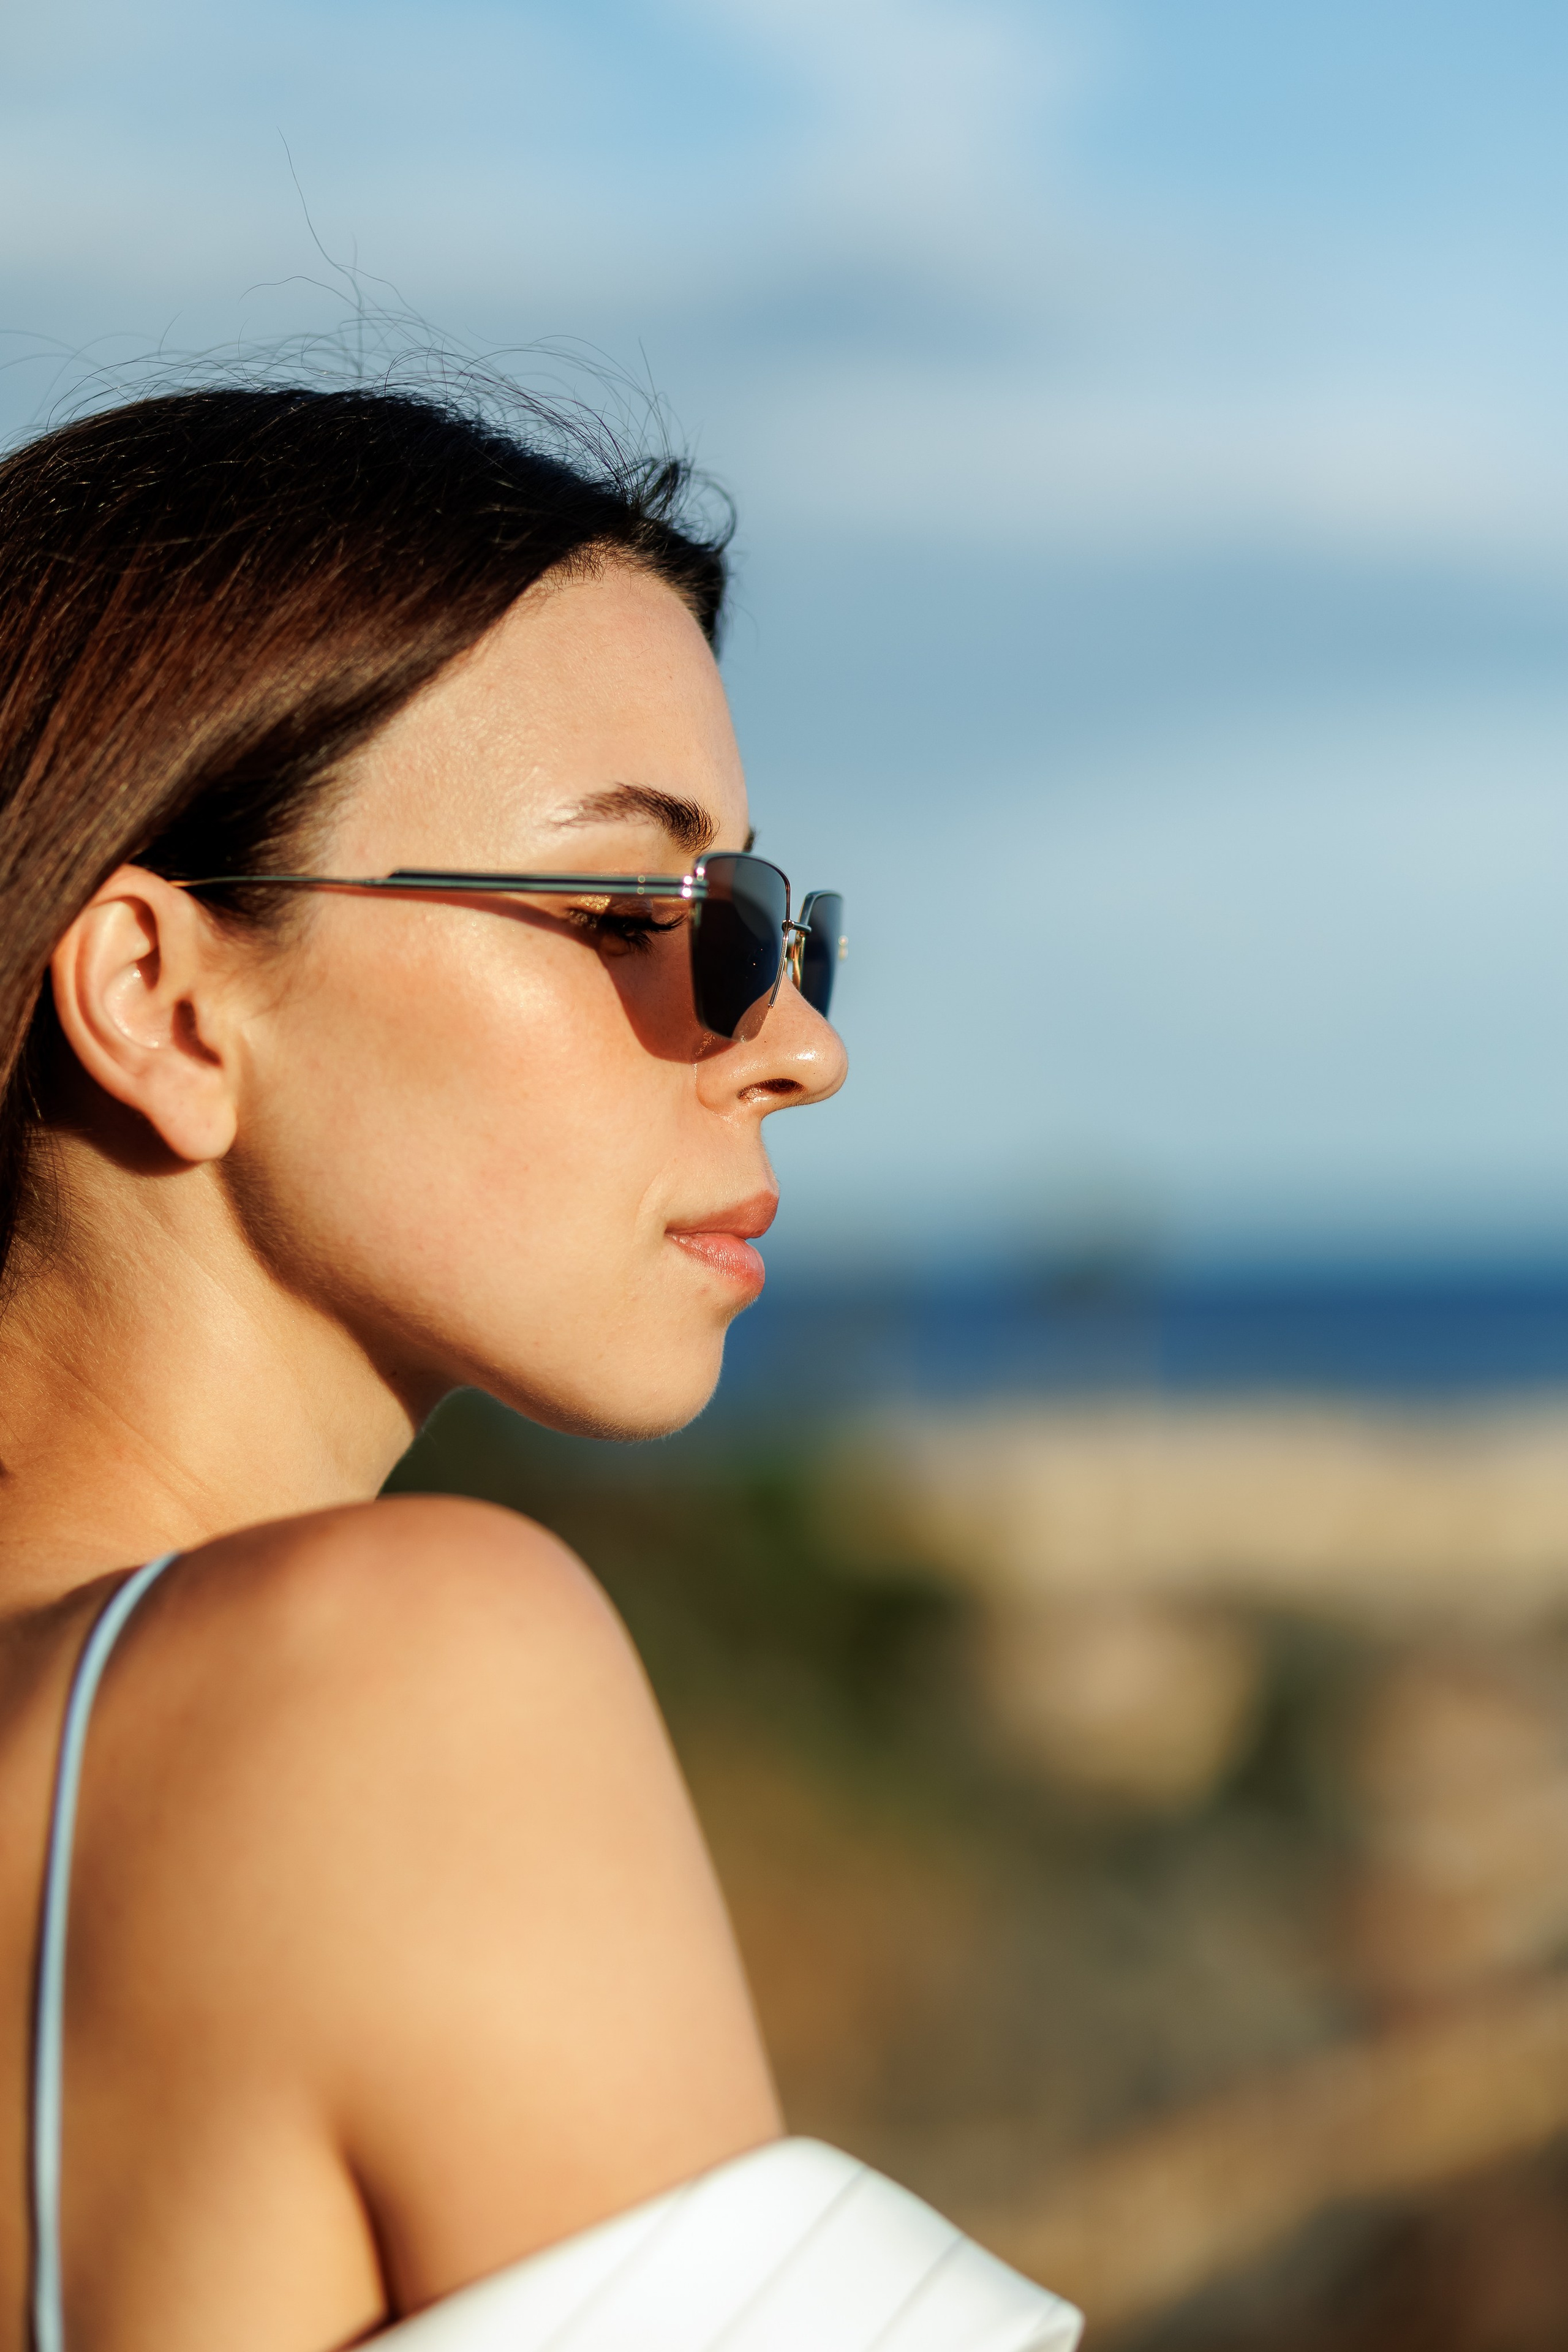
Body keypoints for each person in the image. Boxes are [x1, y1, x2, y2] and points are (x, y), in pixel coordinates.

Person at [0, 382, 1082, 2351]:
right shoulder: (383, 1675)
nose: (792, 1041)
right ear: (159, 996)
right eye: (630, 910)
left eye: (762, 920)